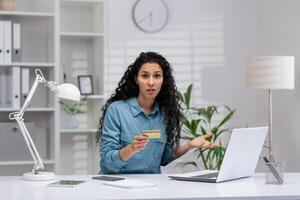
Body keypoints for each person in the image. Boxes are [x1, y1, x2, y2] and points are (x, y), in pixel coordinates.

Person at [97, 52, 218, 174]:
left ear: (163, 80)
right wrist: (131, 149)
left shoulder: (165, 113)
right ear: (136, 79)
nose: (151, 82)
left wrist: (189, 145)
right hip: (117, 184)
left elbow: (164, 159)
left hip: (152, 185)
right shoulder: (116, 110)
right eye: (145, 76)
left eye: (157, 76)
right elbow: (107, 163)